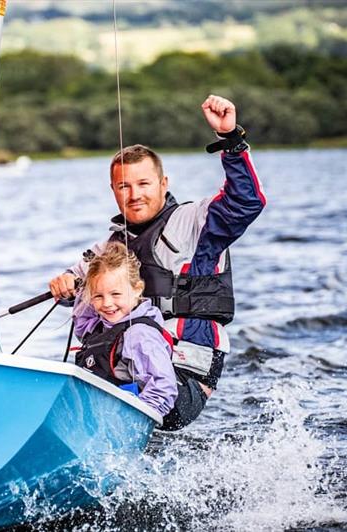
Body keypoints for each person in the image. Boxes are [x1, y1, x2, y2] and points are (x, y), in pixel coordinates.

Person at [50, 94, 266, 430]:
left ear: (163, 184)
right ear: (113, 190)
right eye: (124, 186)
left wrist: (231, 139)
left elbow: (247, 202)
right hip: (129, 370)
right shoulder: (109, 247)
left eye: (144, 184)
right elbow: (78, 280)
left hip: (185, 375)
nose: (134, 194)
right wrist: (64, 284)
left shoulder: (196, 221)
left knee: (135, 346)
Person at [73, 242, 178, 419]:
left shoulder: (140, 335)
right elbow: (81, 320)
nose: (107, 303)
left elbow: (164, 386)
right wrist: (81, 286)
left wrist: (133, 422)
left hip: (125, 421)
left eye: (116, 294)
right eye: (98, 296)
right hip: (100, 414)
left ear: (137, 290)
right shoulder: (98, 324)